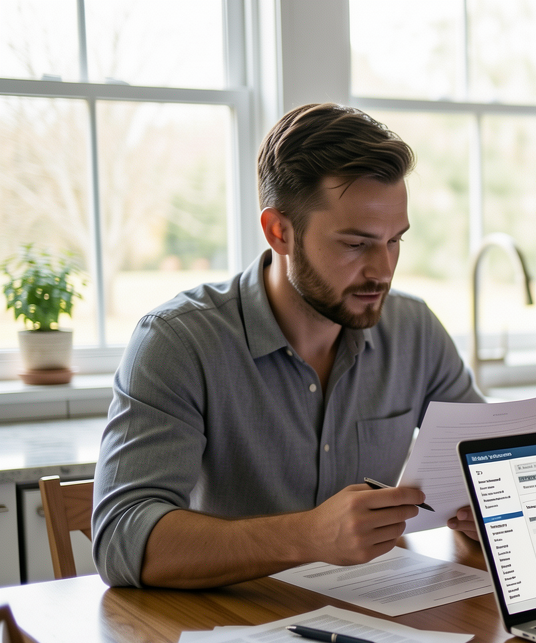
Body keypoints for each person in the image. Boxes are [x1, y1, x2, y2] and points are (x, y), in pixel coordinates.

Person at [93, 103, 484, 589]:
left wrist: (486, 510)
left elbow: (487, 464)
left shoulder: (415, 330)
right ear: (280, 232)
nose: (383, 270)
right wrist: (308, 536)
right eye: (356, 244)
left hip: (382, 619)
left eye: (394, 241)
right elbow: (120, 538)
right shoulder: (178, 342)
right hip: (227, 634)